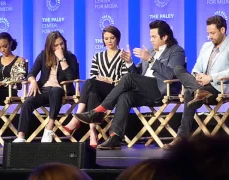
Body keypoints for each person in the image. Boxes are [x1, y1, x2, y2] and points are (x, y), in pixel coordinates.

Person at [74, 20, 185, 150]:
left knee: (128, 78)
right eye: (150, 36)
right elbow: (136, 73)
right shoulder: (151, 51)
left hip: (160, 89)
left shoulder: (176, 51)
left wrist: (150, 59)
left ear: (165, 37)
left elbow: (172, 74)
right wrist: (129, 62)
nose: (151, 40)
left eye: (154, 37)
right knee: (125, 96)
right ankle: (115, 137)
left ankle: (98, 110)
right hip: (144, 91)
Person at [163, 15, 229, 149]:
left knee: (189, 92)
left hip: (219, 87)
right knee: (178, 69)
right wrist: (198, 76)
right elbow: (196, 69)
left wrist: (210, 77)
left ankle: (181, 138)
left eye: (213, 33)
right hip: (201, 85)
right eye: (208, 33)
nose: (210, 36)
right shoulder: (206, 46)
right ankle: (198, 90)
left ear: (222, 30)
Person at [63, 26, 128, 148]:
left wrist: (110, 80)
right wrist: (102, 79)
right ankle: (93, 132)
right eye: (106, 38)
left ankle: (77, 118)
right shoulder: (97, 56)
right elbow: (93, 75)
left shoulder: (123, 56)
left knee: (89, 83)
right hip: (98, 91)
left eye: (112, 38)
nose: (109, 41)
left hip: (114, 92)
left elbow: (124, 80)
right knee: (91, 91)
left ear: (117, 39)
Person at [13, 31, 79, 143]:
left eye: (61, 44)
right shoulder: (43, 55)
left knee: (56, 90)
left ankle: (49, 129)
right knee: (28, 102)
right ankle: (21, 136)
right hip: (43, 90)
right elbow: (31, 73)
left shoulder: (71, 57)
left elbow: (71, 77)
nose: (60, 47)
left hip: (62, 91)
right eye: (56, 45)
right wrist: (33, 81)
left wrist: (62, 59)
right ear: (50, 46)